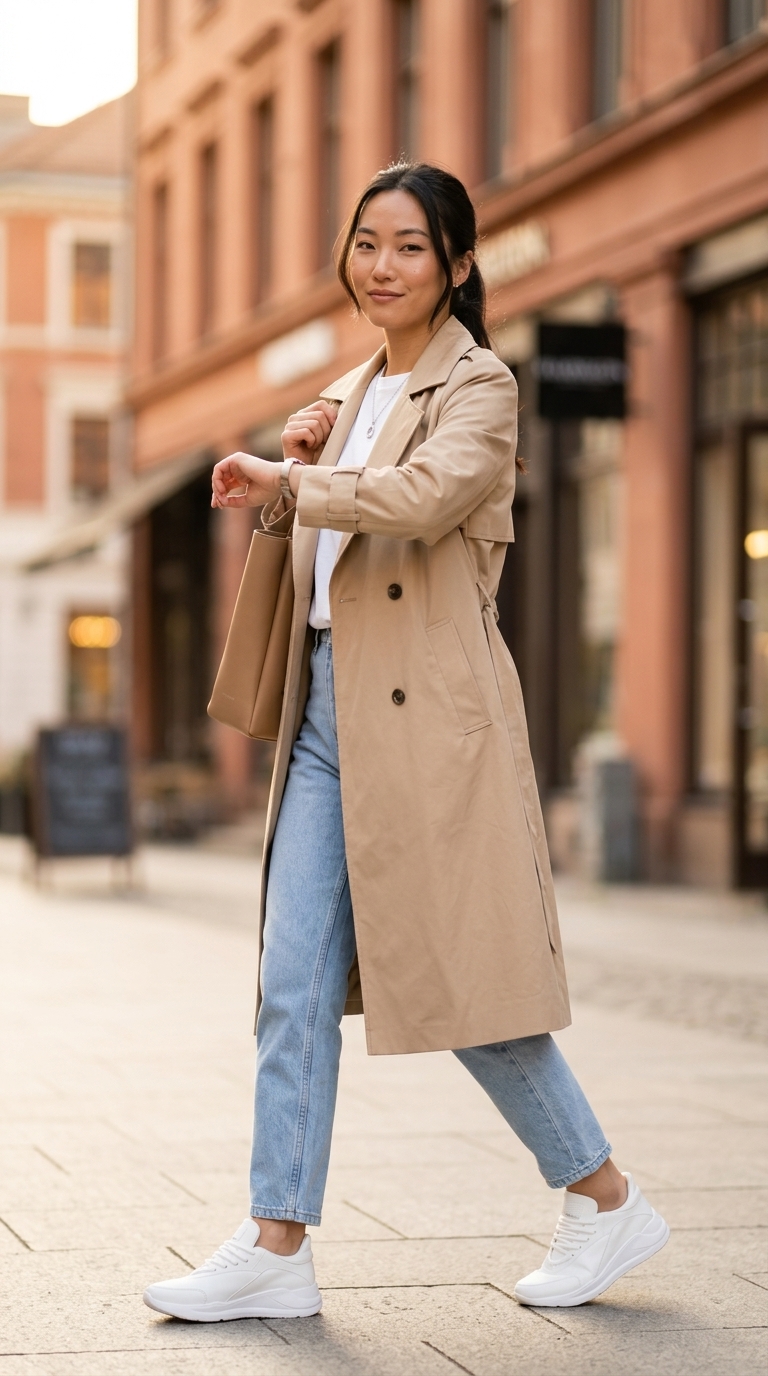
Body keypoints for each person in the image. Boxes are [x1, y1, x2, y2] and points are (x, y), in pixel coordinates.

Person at [144, 162, 668, 1322]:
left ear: (459, 266)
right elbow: (334, 543)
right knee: (290, 985)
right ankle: (277, 1237)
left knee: (467, 991)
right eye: (366, 243)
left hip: (432, 722)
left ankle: (605, 1194)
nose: (382, 266)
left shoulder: (482, 385)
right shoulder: (351, 388)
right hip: (330, 716)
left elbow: (424, 498)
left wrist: (303, 476)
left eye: (411, 247)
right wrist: (288, 487)